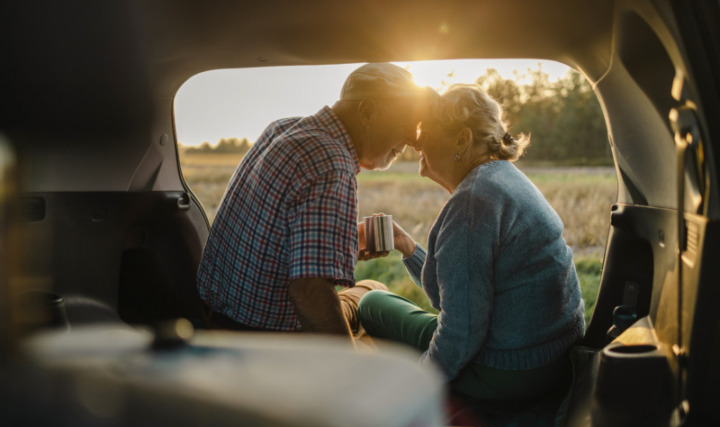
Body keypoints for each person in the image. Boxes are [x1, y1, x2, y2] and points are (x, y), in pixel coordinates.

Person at [358, 84, 586, 400]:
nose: (416, 141)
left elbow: (460, 332)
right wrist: (408, 247)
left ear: (462, 140)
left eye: (426, 131)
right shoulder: (504, 178)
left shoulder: (472, 203)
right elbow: (462, 289)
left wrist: (416, 387)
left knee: (372, 303)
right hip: (552, 358)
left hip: (508, 372)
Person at [196, 63, 432, 342]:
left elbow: (275, 245)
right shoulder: (332, 164)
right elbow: (310, 292)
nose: (411, 140)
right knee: (374, 297)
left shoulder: (281, 128)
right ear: (367, 111)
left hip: (216, 315)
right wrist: (347, 369)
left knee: (371, 287)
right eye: (406, 124)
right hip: (264, 339)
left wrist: (342, 242)